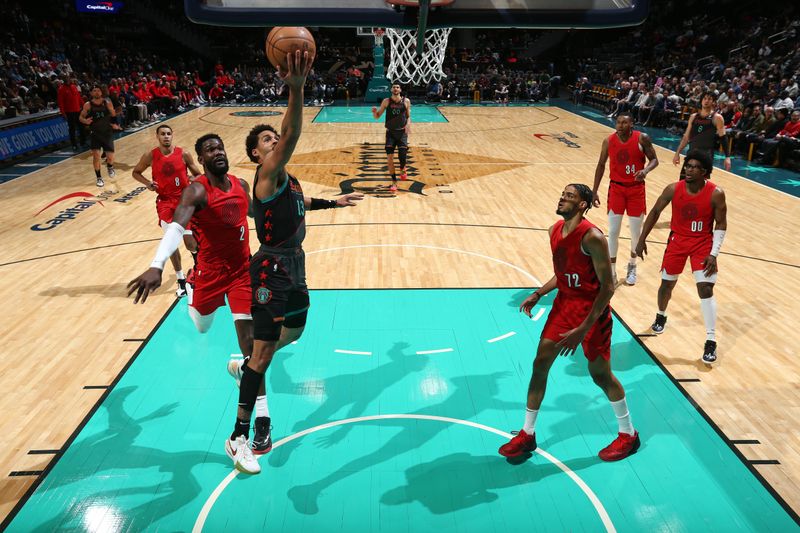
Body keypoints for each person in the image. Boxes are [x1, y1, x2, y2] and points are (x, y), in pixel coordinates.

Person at [224, 49, 363, 474]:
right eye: (266, 140)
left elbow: (300, 204)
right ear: (256, 155)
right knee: (265, 354)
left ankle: (246, 365)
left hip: (295, 265)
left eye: (272, 138)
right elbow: (293, 131)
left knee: (295, 332)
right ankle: (238, 437)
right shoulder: (267, 172)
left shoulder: (288, 180)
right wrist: (296, 89)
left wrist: (333, 202)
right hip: (270, 269)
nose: (274, 141)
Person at [127, 132, 257, 471]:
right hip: (211, 275)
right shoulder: (197, 190)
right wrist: (157, 266)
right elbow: (174, 227)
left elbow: (260, 212)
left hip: (242, 272)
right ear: (201, 157)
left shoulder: (241, 184)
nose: (217, 151)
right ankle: (191, 293)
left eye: (220, 146)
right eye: (210, 149)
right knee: (201, 325)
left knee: (252, 347)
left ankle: (240, 439)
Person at [498, 184, 639, 462]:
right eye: (562, 194)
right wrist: (539, 293)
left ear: (584, 204)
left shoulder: (592, 237)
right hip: (564, 305)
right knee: (540, 363)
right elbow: (562, 275)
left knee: (601, 375)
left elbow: (608, 287)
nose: (562, 198)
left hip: (592, 312)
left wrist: (583, 329)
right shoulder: (553, 231)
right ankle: (527, 434)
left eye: (570, 196)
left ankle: (628, 435)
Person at [635, 149, 728, 364]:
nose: (689, 169)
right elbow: (655, 212)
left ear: (705, 172)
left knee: (705, 288)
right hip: (677, 241)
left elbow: (721, 224)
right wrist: (641, 239)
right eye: (688, 165)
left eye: (695, 167)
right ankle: (661, 314)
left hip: (703, 243)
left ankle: (710, 339)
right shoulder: (672, 189)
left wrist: (714, 254)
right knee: (666, 285)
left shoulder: (716, 193)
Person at [131, 124, 204, 297]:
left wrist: (192, 179)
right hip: (165, 203)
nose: (166, 136)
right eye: (162, 134)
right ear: (157, 136)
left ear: (173, 135)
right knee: (171, 244)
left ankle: (199, 270)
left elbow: (198, 175)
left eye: (168, 134)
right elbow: (136, 172)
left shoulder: (184, 154)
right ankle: (181, 280)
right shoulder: (150, 155)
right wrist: (148, 183)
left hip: (184, 202)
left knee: (190, 243)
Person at [592, 112, 659, 286]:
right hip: (616, 189)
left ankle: (632, 265)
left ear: (632, 124)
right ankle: (612, 271)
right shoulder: (608, 141)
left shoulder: (641, 138)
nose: (620, 125)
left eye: (624, 122)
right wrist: (594, 190)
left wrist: (645, 171)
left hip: (636, 190)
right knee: (613, 232)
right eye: (618, 122)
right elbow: (601, 165)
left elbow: (654, 160)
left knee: (635, 233)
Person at [672, 91, 731, 175]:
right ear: (701, 100)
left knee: (700, 185)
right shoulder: (693, 117)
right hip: (691, 154)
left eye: (709, 99)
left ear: (714, 102)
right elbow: (686, 137)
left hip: (706, 156)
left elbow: (723, 138)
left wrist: (727, 157)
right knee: (684, 182)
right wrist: (677, 153)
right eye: (705, 98)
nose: (706, 101)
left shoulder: (717, 118)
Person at [79, 84, 121, 188]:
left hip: (107, 133)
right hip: (95, 134)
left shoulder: (107, 102)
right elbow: (80, 117)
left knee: (110, 157)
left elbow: (113, 114)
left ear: (101, 92)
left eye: (98, 90)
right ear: (91, 93)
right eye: (94, 90)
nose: (96, 92)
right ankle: (99, 178)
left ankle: (110, 167)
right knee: (96, 157)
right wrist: (85, 121)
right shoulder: (88, 105)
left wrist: (115, 124)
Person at [372, 83, 411, 193]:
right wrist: (374, 112)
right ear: (391, 89)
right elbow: (377, 116)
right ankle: (394, 182)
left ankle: (403, 168)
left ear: (400, 89)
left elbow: (408, 117)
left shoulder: (406, 101)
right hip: (390, 133)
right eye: (394, 87)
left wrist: (408, 124)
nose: (395, 88)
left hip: (402, 133)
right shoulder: (386, 101)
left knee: (402, 156)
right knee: (390, 159)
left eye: (397, 87)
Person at [57, 76, 85, 151]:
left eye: (68, 79)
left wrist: (84, 106)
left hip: (78, 111)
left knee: (82, 127)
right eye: (65, 79)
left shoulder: (74, 86)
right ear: (63, 80)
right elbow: (61, 102)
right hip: (69, 112)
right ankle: (74, 145)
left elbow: (79, 97)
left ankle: (83, 142)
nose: (67, 80)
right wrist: (63, 113)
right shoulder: (61, 89)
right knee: (72, 129)